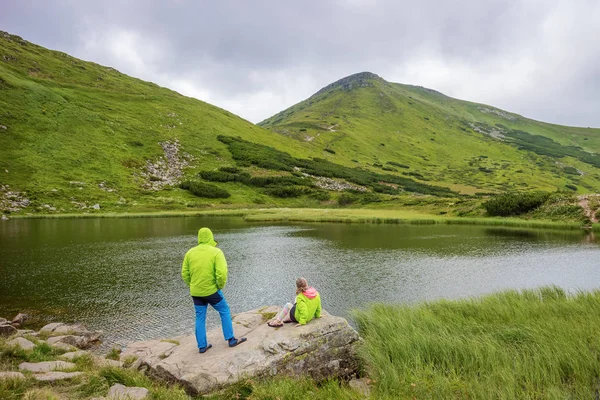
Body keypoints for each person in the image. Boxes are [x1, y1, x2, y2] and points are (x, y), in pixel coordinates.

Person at [181, 227, 246, 353]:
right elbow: (221, 273)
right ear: (211, 237)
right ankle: (231, 339)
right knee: (224, 310)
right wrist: (219, 286)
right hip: (211, 291)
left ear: (199, 237)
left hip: (196, 292)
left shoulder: (190, 253)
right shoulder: (216, 252)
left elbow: (184, 273)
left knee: (200, 316)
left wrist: (193, 284)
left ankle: (202, 346)